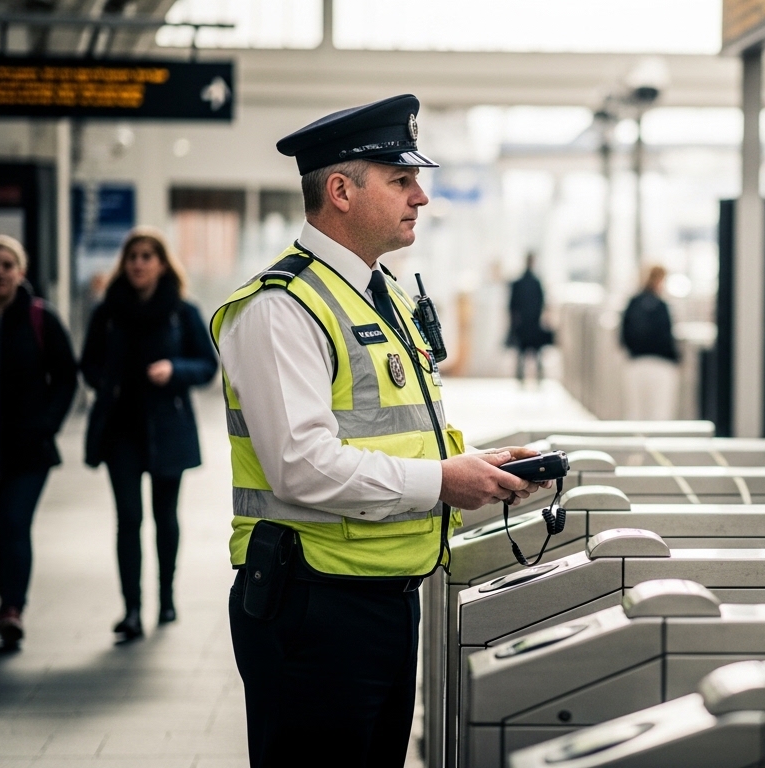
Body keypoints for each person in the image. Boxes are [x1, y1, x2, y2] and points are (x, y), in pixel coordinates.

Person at [214, 94, 547, 767]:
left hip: (386, 597)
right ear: (340, 190)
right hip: (312, 608)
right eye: (400, 180)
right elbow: (300, 466)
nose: (420, 197)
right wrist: (440, 484)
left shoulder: (381, 292)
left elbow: (390, 430)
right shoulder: (282, 309)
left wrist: (470, 463)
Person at [81, 227, 218, 642]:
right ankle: (133, 609)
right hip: (120, 429)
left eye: (148, 256)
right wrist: (107, 382)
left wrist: (174, 370)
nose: (139, 263)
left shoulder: (182, 310)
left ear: (161, 263)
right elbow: (87, 364)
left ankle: (167, 597)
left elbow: (208, 367)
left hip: (167, 427)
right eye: (133, 256)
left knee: (165, 518)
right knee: (128, 519)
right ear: (125, 263)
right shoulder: (108, 312)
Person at [0, 235, 77, 651]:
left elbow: (67, 377)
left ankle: (12, 609)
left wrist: (47, 425)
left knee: (13, 525)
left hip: (29, 451)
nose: (0, 272)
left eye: (8, 265)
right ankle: (7, 600)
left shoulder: (41, 317)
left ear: (20, 272)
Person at [620, 265, 679, 420]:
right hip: (661, 364)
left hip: (636, 363)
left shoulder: (633, 303)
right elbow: (667, 336)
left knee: (636, 412)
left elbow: (623, 336)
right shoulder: (662, 306)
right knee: (660, 413)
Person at [508, 252, 551, 385]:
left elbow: (512, 305)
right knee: (533, 353)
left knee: (524, 353)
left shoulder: (520, 283)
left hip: (524, 324)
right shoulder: (535, 282)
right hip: (532, 323)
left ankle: (524, 377)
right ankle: (536, 377)